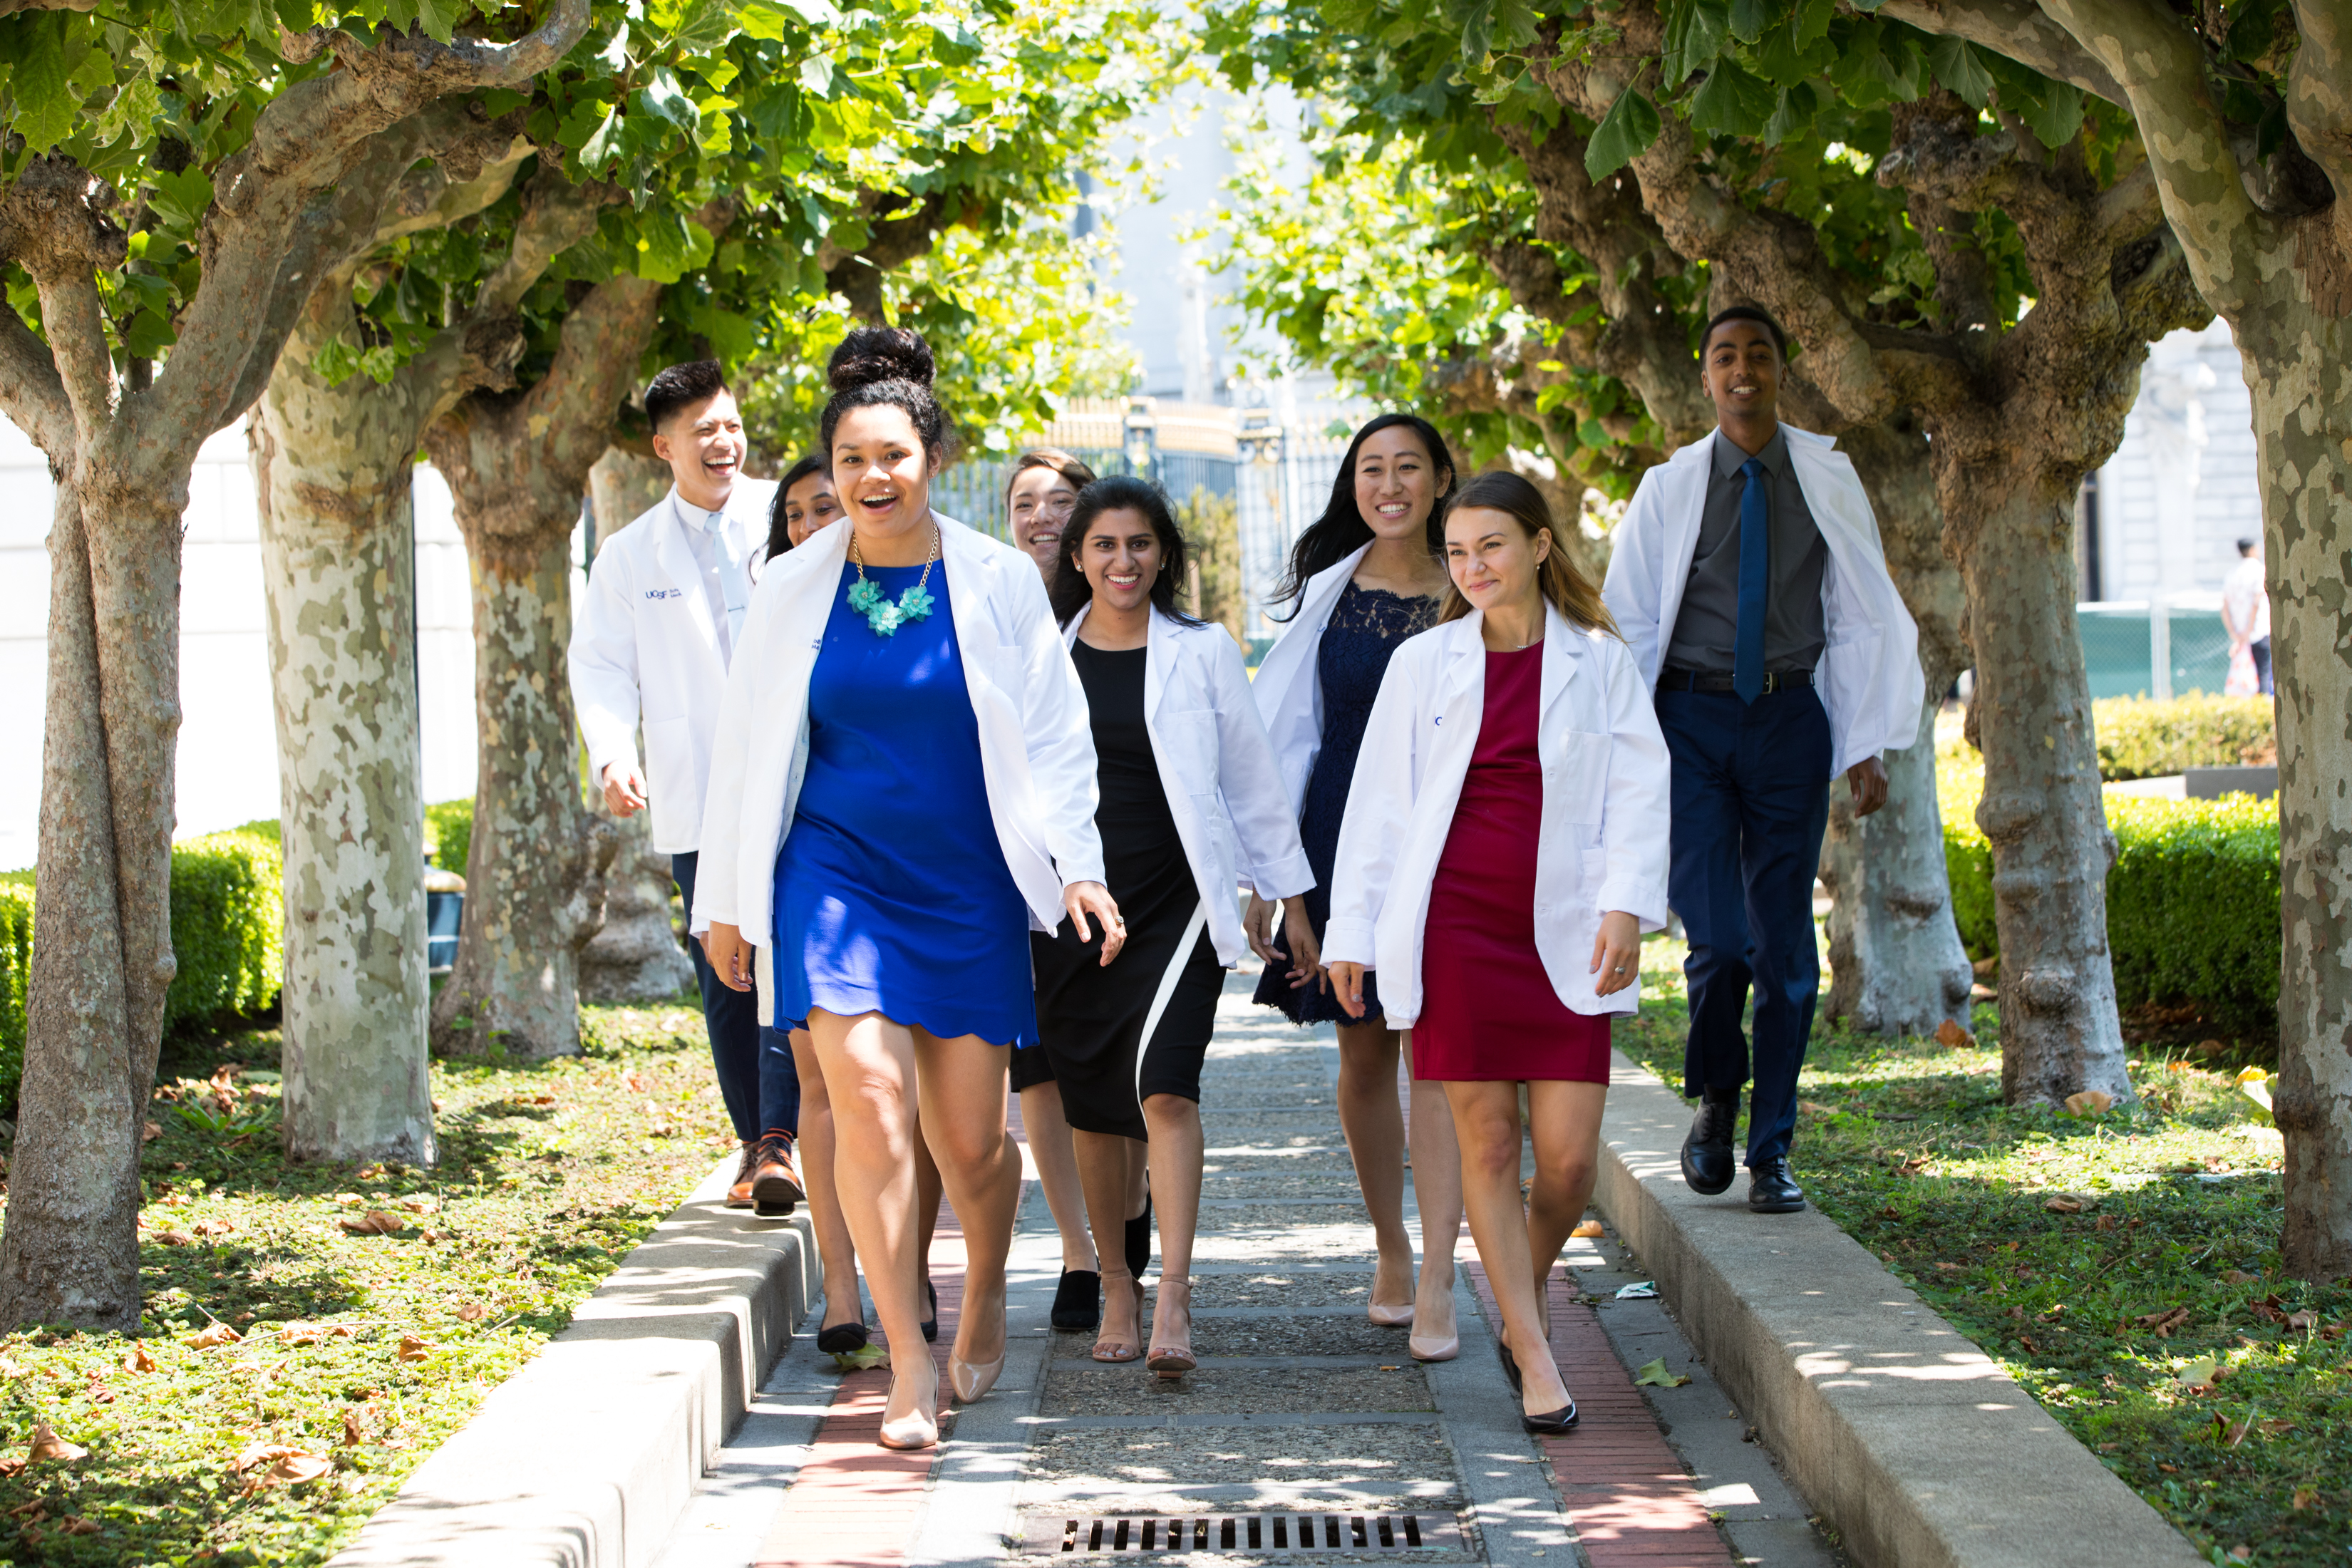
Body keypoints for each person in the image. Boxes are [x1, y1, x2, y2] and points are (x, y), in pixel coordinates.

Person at [693, 327, 1120, 1452]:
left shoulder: (993, 582)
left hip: (967, 878)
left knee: (970, 1143)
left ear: (932, 458)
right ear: (828, 473)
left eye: (892, 457)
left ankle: (984, 1294)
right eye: (849, 462)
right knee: (869, 1102)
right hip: (831, 869)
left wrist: (1079, 866)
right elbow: (747, 748)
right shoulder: (789, 589)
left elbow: (1055, 735)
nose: (871, 479)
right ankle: (909, 1355)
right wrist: (727, 901)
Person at [1326, 470, 1671, 1434]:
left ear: (1540, 547)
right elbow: (1380, 810)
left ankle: (1513, 1282)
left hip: (1564, 929)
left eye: (1492, 547)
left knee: (1565, 1165)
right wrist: (1354, 931)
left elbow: (1643, 790)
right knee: (1487, 1142)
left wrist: (1627, 907)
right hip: (1456, 928)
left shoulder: (1600, 661)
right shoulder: (1423, 664)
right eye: (1459, 552)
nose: (1473, 567)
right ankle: (1533, 1348)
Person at [1601, 304, 1923, 1215]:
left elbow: (1862, 606)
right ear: (1705, 377)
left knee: (1783, 948)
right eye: (1725, 357)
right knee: (1720, 941)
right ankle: (1715, 1099)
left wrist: (1863, 741)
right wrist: (1616, 752)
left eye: (1759, 355)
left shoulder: (1826, 477)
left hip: (1789, 720)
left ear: (1782, 369)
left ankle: (1771, 1149)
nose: (1742, 371)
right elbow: (1627, 620)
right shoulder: (1669, 487)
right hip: (1688, 726)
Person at [1036, 477, 1313, 1374]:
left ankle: (1177, 1300)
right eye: (1106, 545)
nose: (1124, 561)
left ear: (1164, 555)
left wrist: (1287, 893)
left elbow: (1252, 778)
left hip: (1178, 901)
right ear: (1078, 556)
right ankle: (1117, 1280)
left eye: (1141, 544)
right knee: (1095, 1106)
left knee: (1164, 1090)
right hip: (1073, 907)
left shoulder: (1203, 651)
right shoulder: (1043, 657)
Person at [1244, 413, 1468, 1360]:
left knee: (1446, 1062)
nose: (1389, 484)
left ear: (1442, 477)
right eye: (1370, 469)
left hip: (1457, 837)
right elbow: (1283, 742)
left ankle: (1445, 1275)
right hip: (1342, 839)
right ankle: (1391, 1246)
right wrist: (1277, 882)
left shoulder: (1476, 586)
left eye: (1407, 466)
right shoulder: (1327, 598)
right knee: (1368, 1054)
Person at [570, 360, 800, 1213]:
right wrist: (612, 751)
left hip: (802, 786)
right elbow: (599, 664)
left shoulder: (793, 515)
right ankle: (757, 1137)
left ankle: (783, 1137)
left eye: (730, 424)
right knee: (727, 971)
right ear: (663, 446)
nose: (723, 442)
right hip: (700, 790)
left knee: (790, 952)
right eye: (702, 431)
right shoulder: (631, 554)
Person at [1002, 448, 1124, 1334]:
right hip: (1024, 868)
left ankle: (1133, 1196)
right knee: (1038, 1063)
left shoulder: (1122, 600)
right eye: (1025, 502)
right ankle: (1081, 1252)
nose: (1043, 516)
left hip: (1128, 860)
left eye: (1061, 501)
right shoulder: (993, 607)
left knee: (1122, 1063)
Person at [1009, 448, 1095, 579]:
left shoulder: (1115, 598)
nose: (1041, 517)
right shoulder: (994, 596)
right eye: (1024, 505)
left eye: (1060, 501)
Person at [2222, 535, 2272, 696]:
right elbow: (2256, 603)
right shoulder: (2259, 570)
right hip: (2258, 632)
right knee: (2263, 675)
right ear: (2252, 550)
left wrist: (2235, 635)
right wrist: (2248, 631)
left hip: (2240, 636)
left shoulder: (2232, 574)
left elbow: (2224, 607)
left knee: (2245, 680)